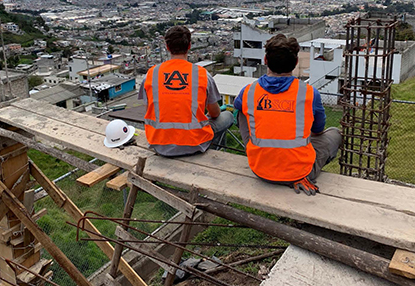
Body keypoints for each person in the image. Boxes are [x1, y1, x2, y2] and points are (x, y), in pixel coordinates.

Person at [234, 34, 341, 195]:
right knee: (335, 133)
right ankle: (299, 166)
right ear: (296, 62)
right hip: (299, 172)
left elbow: (239, 112)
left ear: (265, 60)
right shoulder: (309, 93)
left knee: (240, 109)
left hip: (260, 168)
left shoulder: (249, 92)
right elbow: (318, 130)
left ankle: (257, 151)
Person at [139, 25, 233, 157]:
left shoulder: (151, 74)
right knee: (228, 116)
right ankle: (213, 151)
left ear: (167, 47)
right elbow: (215, 113)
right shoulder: (202, 75)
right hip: (195, 143)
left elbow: (149, 108)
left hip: (158, 143)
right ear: (189, 46)